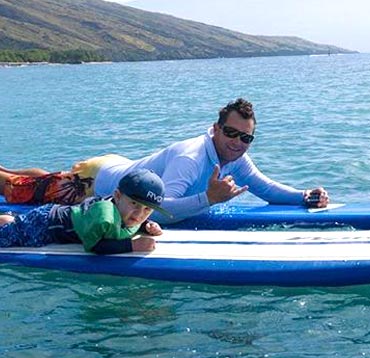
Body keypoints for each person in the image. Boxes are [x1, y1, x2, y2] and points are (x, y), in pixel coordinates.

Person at [0, 98, 329, 224]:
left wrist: (303, 197)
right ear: (215, 129)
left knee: (40, 181)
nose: (238, 143)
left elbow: (264, 188)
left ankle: (24, 174)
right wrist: (207, 199)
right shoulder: (192, 157)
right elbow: (155, 211)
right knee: (16, 190)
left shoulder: (236, 157)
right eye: (231, 133)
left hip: (119, 166)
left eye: (246, 137)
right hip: (92, 184)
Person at [0, 169, 169, 254]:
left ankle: (8, 220)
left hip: (54, 215)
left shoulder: (125, 211)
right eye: (134, 204)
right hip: (44, 226)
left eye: (147, 209)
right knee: (8, 236)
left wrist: (146, 226)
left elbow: (130, 221)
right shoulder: (103, 217)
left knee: (15, 223)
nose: (139, 214)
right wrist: (132, 246)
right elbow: (94, 246)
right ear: (117, 196)